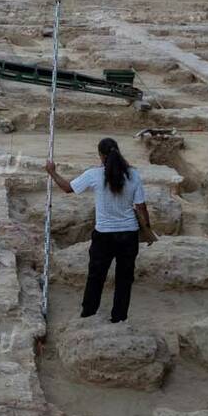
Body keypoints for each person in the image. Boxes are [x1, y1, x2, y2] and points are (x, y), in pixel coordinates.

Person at [45, 138, 158, 324]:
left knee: (96, 276)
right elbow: (141, 206)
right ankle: (119, 317)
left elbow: (67, 188)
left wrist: (52, 172)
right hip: (128, 234)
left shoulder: (94, 175)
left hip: (104, 235)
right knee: (125, 279)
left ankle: (88, 314)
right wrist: (147, 229)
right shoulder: (133, 175)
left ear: (100, 155)